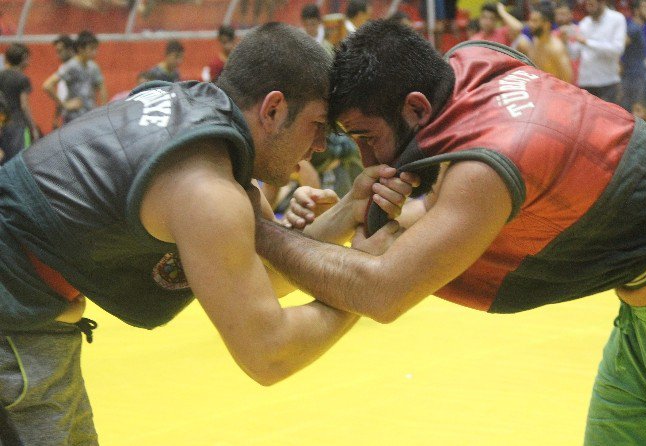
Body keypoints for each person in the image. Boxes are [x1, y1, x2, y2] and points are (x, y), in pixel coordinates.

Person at [254, 20, 646, 445]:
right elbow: (436, 215)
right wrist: (346, 212)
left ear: (416, 109)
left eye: (367, 137)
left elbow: (382, 292)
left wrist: (261, 231)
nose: (365, 158)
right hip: (643, 317)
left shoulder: (489, 164)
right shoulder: (471, 63)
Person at [0, 23, 415, 444]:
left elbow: (261, 278)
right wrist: (368, 288)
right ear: (273, 110)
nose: (322, 146)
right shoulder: (207, 191)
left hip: (30, 318)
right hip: (14, 325)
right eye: (317, 125)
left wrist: (347, 212)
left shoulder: (191, 111)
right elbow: (269, 353)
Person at [43, 30, 107, 125]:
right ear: (81, 48)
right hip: (74, 117)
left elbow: (102, 88)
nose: (95, 52)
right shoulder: (71, 66)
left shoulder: (93, 66)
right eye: (91, 49)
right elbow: (47, 85)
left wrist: (103, 110)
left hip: (90, 114)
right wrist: (65, 105)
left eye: (96, 49)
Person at [573, 0, 626, 104]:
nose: (589, 9)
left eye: (592, 5)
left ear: (602, 2)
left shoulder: (617, 19)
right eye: (587, 5)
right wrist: (566, 42)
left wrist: (587, 42)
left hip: (608, 83)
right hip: (586, 83)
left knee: (610, 119)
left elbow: (617, 50)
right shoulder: (584, 23)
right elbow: (575, 54)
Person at [0, 43, 40, 164]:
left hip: (2, 122)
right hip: (17, 124)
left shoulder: (1, 75)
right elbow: (24, 105)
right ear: (23, 58)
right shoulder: (22, 79)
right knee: (17, 160)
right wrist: (33, 128)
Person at [526, 3, 573, 83]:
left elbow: (568, 80)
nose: (530, 24)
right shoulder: (535, 41)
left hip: (553, 92)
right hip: (537, 89)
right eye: (530, 20)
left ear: (546, 25)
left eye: (535, 21)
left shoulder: (556, 48)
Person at [50, 34, 75, 129]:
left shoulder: (77, 67)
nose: (58, 55)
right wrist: (57, 117)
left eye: (60, 51)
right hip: (66, 115)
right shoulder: (63, 68)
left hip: (78, 114)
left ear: (69, 49)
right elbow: (62, 95)